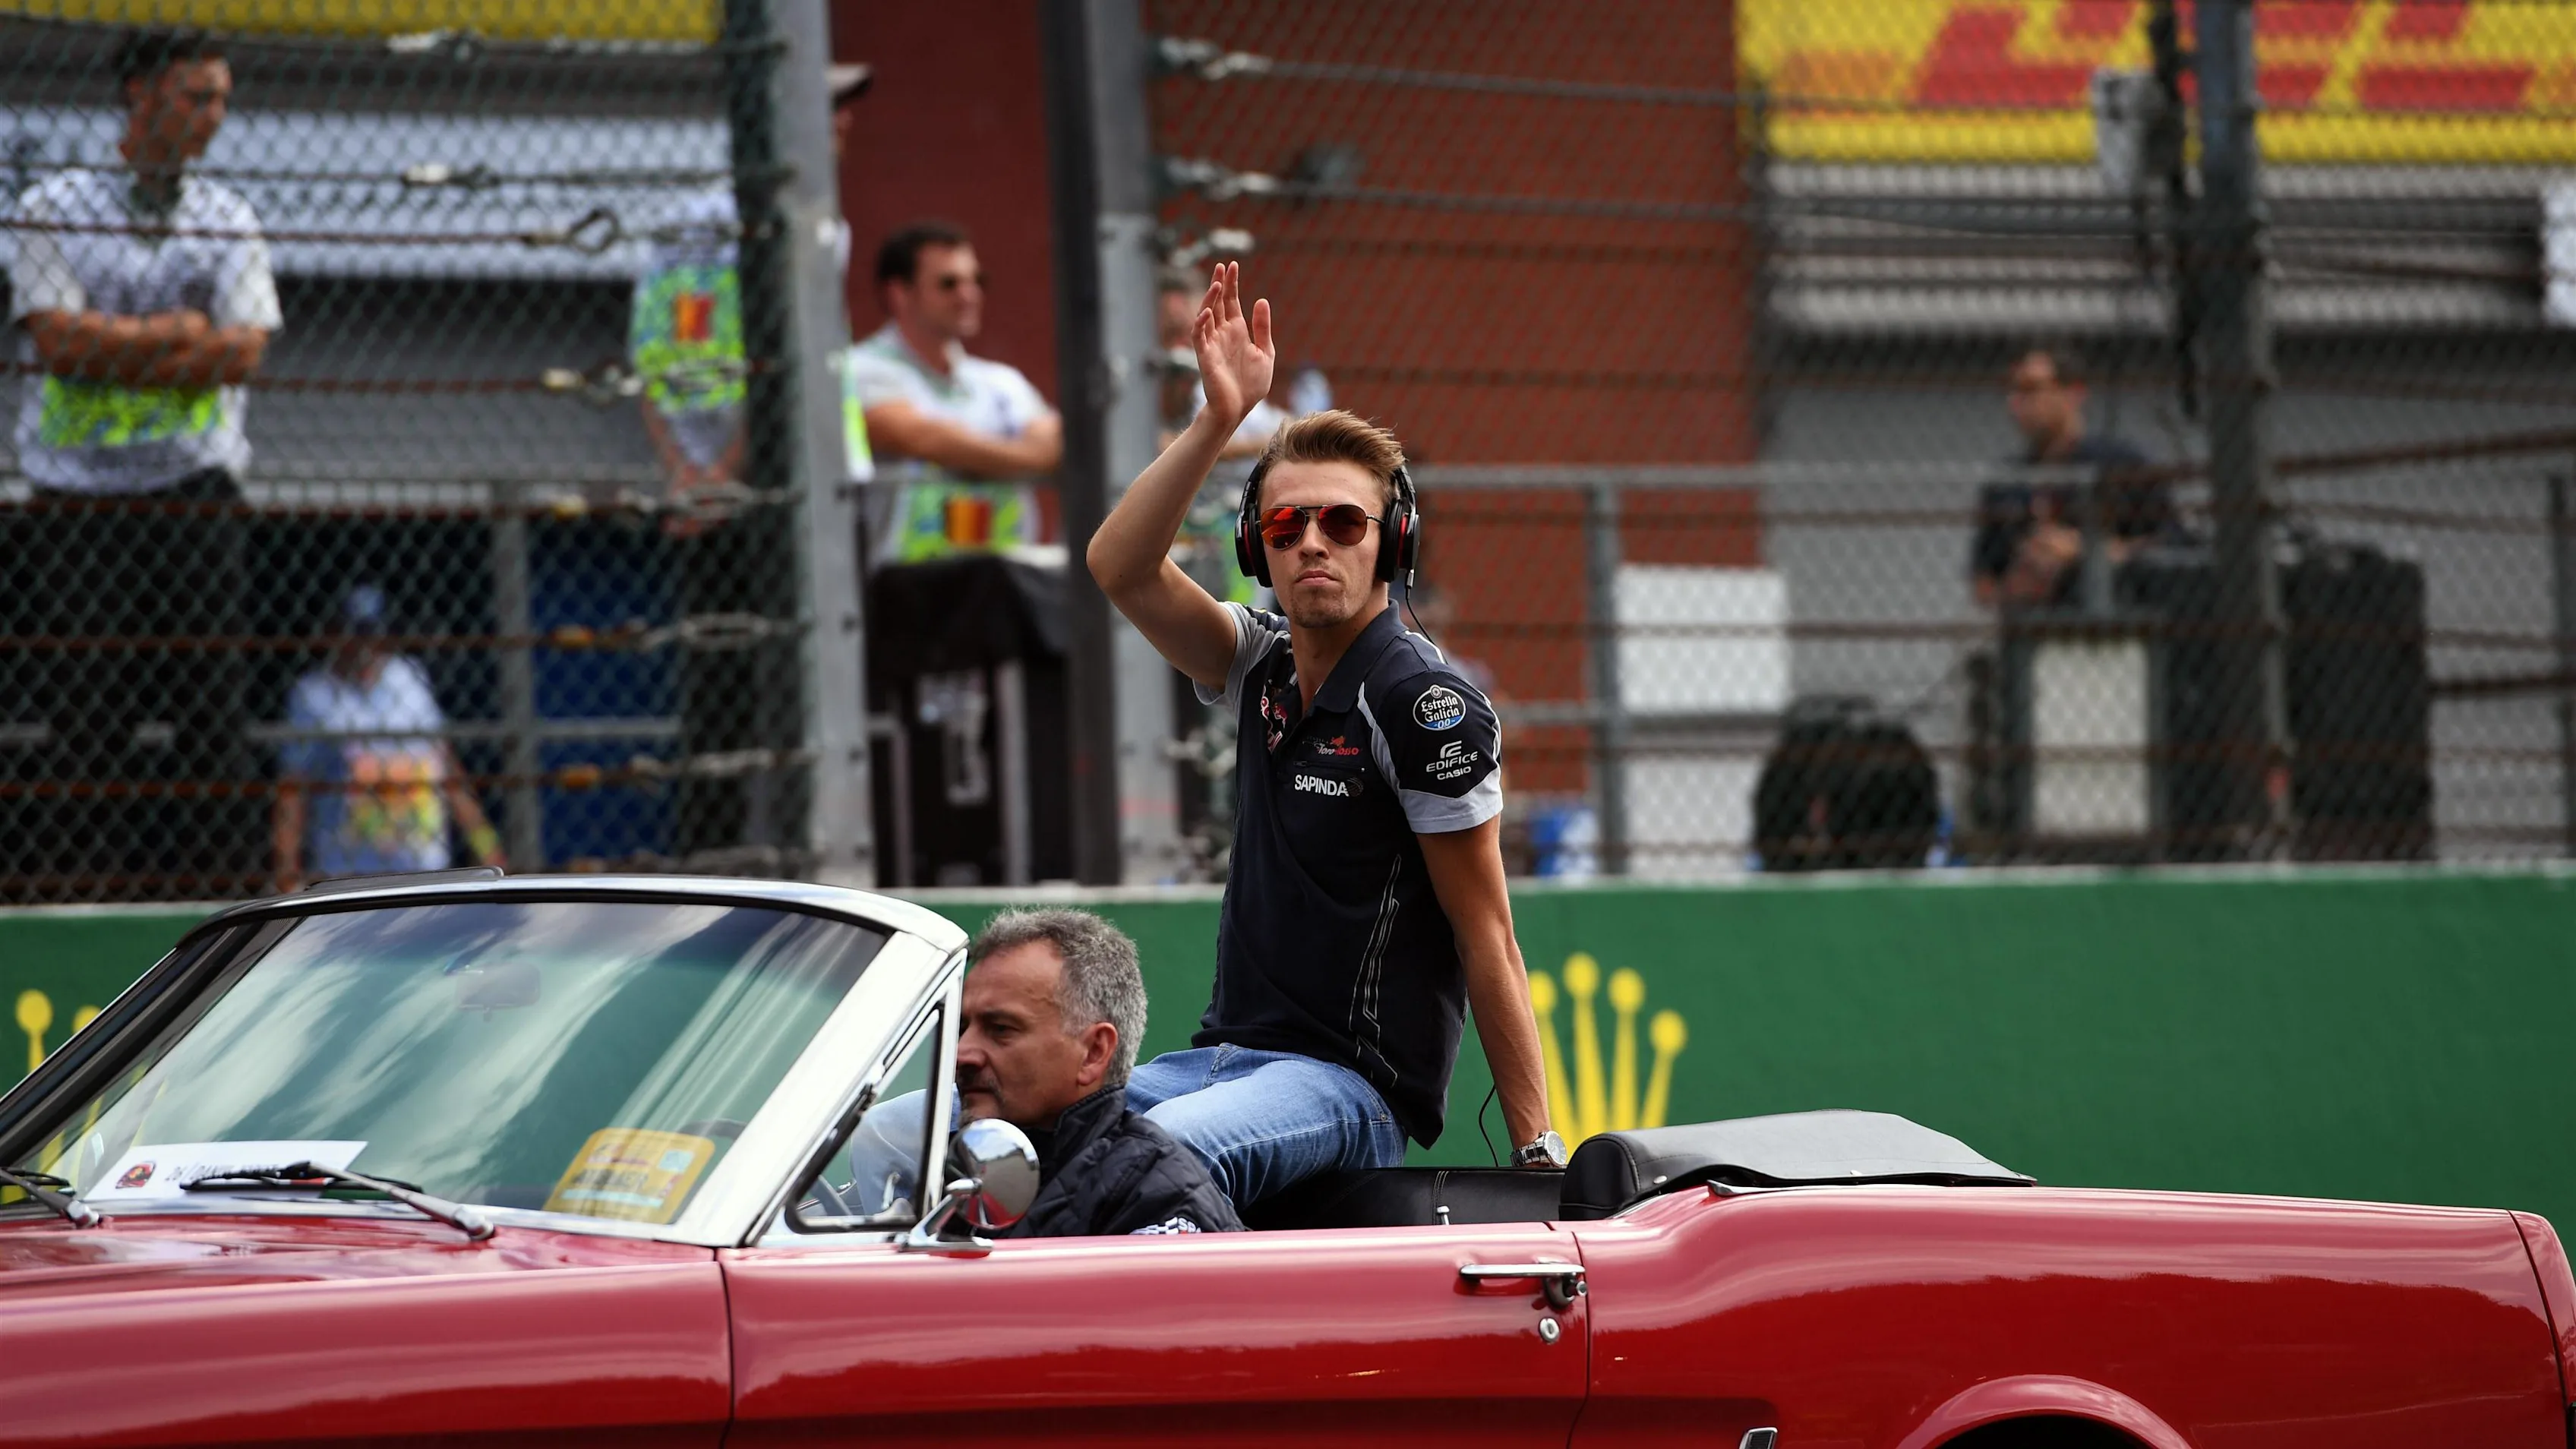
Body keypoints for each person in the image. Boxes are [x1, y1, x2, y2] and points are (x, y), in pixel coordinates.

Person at [1085, 263, 1560, 1205]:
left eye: (1344, 522)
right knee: (962, 1137)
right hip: (1216, 1065)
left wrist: (1539, 1157)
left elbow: (1488, 935)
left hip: (1348, 1093)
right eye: (1286, 523)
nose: (1313, 542)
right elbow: (1121, 566)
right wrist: (1216, 422)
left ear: (1392, 543)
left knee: (1142, 1165)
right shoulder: (1255, 662)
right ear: (1255, 546)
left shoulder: (1424, 705)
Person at [5, 29, 281, 892]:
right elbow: (57, 343)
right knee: (86, 710)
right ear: (140, 95)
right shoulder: (53, 205)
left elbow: (241, 353)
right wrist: (173, 334)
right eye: (196, 97)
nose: (212, 117)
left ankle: (225, 899)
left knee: (212, 710)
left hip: (193, 486)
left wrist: (114, 342)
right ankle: (78, 896)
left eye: (221, 100)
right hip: (76, 492)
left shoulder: (229, 217)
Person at [632, 64, 870, 533]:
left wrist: (688, 471)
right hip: (804, 469)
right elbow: (789, 352)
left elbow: (650, 356)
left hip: (708, 483)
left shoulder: (684, 219)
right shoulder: (808, 224)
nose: (845, 122)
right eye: (828, 109)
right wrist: (722, 474)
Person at [903, 909, 1241, 1238]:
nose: (962, 1053)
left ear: (1094, 1052)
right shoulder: (951, 1176)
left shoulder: (1160, 1203)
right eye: (961, 1028)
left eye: (1001, 1029)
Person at [845, 221, 1062, 565]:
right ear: (899, 293)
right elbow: (921, 439)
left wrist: (967, 455)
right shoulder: (860, 369)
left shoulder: (1001, 381)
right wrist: (1020, 457)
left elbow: (1056, 445)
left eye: (977, 281)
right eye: (949, 284)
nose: (968, 295)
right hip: (904, 588)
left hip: (1007, 584)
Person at [271, 586, 505, 892]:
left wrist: (487, 846)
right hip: (349, 876)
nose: (365, 644)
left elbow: (446, 767)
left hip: (425, 872)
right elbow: (294, 787)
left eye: (372, 632)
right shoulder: (313, 696)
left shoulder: (410, 679)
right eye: (355, 632)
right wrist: (286, 869)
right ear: (334, 632)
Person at [1971, 345, 2170, 609]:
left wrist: (2087, 552)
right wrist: (2019, 585)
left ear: (2073, 394)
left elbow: (2171, 544)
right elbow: (1984, 579)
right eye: (2012, 392)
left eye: (2031, 390)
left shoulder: (2120, 464)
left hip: (2115, 618)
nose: (2016, 404)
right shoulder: (2008, 481)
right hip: (2034, 628)